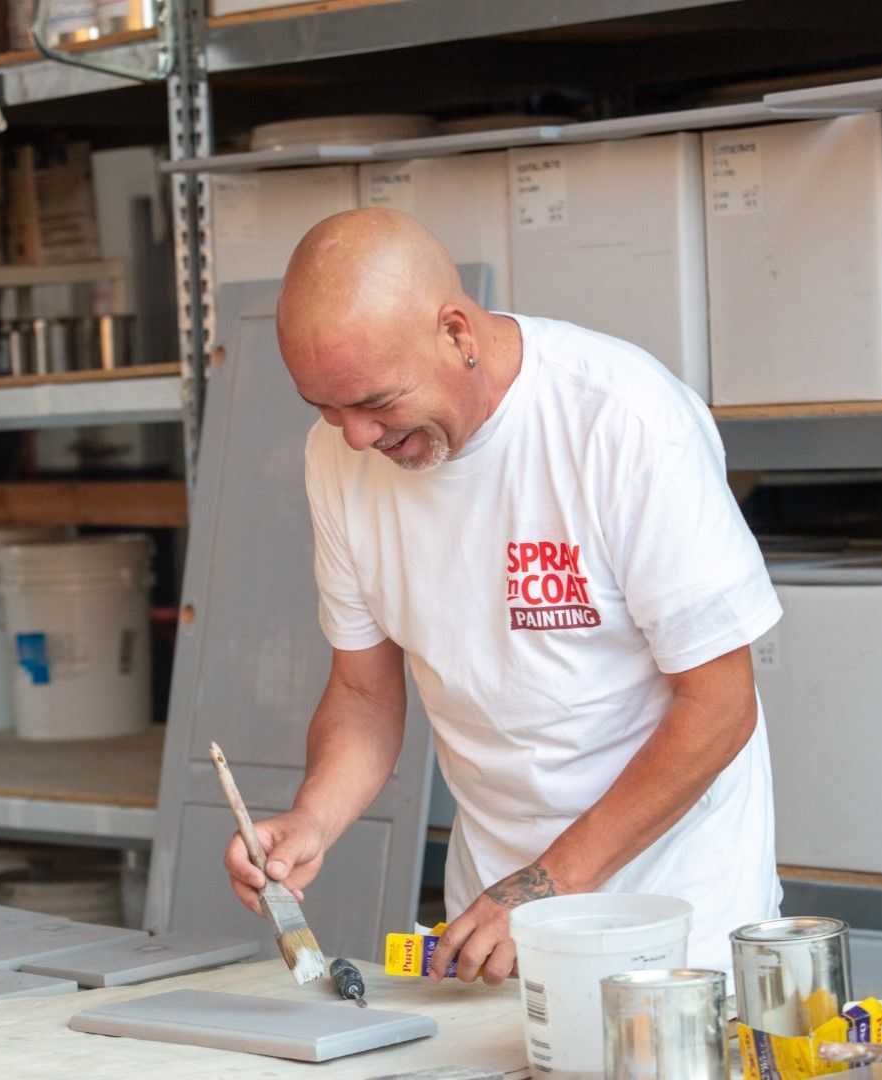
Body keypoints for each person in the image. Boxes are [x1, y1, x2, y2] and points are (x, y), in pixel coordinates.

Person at [221, 207, 782, 984]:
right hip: (496, 935)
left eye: (376, 403)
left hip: (677, 924)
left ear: (457, 333)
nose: (355, 437)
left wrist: (551, 884)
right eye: (325, 408)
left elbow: (720, 705)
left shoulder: (622, 422)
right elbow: (362, 691)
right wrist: (313, 820)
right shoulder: (339, 459)